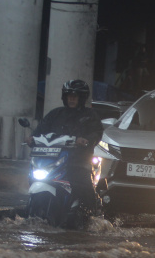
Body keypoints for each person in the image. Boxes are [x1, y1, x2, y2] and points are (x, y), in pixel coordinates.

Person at [28, 79, 103, 219]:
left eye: (75, 96)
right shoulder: (55, 114)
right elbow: (40, 130)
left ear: (82, 98)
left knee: (84, 187)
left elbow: (96, 132)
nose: (72, 99)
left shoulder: (90, 116)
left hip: (78, 161)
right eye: (69, 96)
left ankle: (92, 218)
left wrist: (86, 140)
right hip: (53, 160)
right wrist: (31, 138)